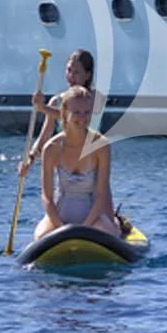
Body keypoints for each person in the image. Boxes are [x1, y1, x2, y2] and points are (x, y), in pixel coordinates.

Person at [32, 88, 121, 241]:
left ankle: (116, 222)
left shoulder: (101, 145)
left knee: (110, 236)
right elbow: (47, 197)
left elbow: (101, 195)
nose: (83, 117)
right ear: (64, 113)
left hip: (93, 215)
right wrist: (61, 229)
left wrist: (84, 229)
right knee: (40, 236)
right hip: (60, 214)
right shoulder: (51, 148)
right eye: (77, 112)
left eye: (86, 112)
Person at [24, 49, 95, 168]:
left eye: (76, 72)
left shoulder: (93, 98)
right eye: (69, 70)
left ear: (87, 75)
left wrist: (43, 108)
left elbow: (78, 117)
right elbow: (44, 137)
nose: (71, 76)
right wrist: (29, 159)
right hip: (65, 167)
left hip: (89, 165)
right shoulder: (56, 102)